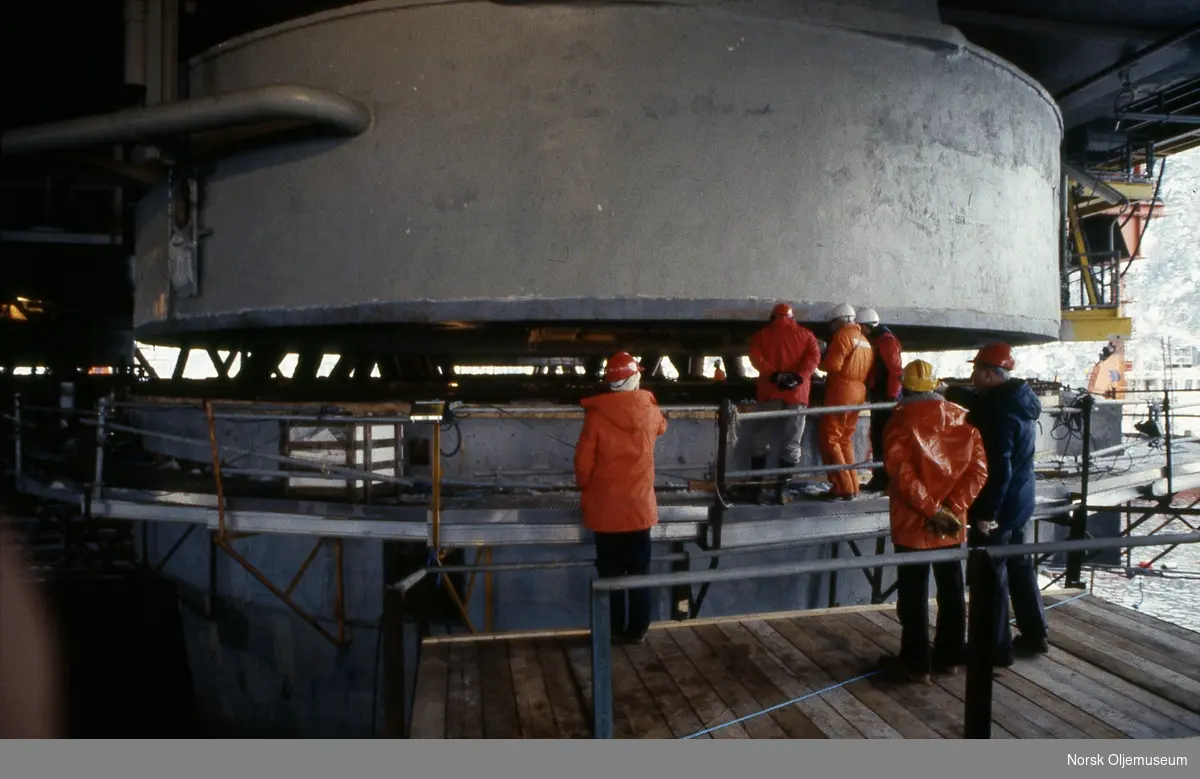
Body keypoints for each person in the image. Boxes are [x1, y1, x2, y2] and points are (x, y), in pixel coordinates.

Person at [877, 360, 988, 681]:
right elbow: (978, 471)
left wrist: (931, 510)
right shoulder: (962, 417)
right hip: (951, 525)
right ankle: (950, 657)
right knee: (952, 591)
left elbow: (901, 473)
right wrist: (951, 510)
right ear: (936, 386)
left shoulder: (899, 421)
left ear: (905, 388)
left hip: (913, 523)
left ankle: (915, 664)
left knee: (913, 593)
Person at [953, 342, 1049, 665]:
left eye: (977, 370)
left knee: (991, 574)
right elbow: (983, 402)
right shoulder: (1018, 400)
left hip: (1001, 505)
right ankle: (1036, 634)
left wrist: (986, 514)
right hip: (1022, 500)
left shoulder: (998, 414)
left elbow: (998, 468)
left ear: (991, 374)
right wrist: (953, 392)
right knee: (1021, 565)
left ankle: (995, 649)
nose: (972, 376)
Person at [574, 351, 668, 644]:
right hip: (639, 511)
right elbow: (663, 427)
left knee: (610, 576)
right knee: (639, 574)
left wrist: (588, 487)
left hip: (605, 513)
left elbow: (583, 463)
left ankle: (612, 630)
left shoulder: (596, 416)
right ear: (635, 378)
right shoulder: (651, 411)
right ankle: (638, 629)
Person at [747, 303, 822, 504]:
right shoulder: (806, 335)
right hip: (797, 395)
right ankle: (782, 490)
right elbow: (815, 357)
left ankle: (756, 489)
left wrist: (775, 375)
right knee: (791, 442)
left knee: (761, 440)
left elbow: (755, 357)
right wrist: (800, 377)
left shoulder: (762, 335)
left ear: (772, 317)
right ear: (792, 317)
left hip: (769, 393)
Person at [817, 303, 873, 500]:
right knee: (845, 439)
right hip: (859, 391)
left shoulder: (843, 336)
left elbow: (833, 365)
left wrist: (819, 357)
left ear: (840, 320)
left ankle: (842, 487)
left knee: (830, 438)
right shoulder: (864, 340)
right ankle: (853, 485)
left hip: (841, 390)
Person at [857, 308, 903, 492]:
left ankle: (883, 479)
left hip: (886, 398)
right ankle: (881, 478)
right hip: (882, 396)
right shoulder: (881, 340)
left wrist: (890, 397)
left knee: (882, 438)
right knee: (878, 438)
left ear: (866, 326)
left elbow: (895, 370)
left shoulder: (886, 342)